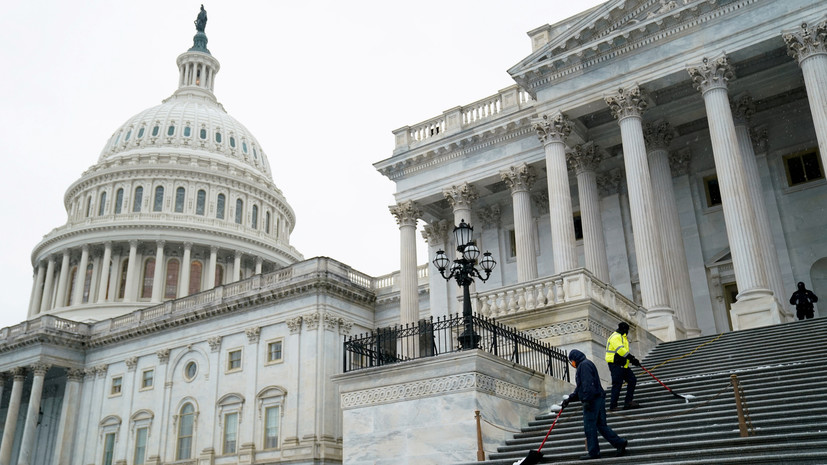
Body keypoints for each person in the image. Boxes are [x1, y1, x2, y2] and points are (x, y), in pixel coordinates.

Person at [561, 349, 628, 460]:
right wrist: (570, 399)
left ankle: (593, 452)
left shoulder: (584, 366)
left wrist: (587, 400)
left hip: (593, 400)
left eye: (571, 361)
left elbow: (588, 384)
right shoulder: (586, 364)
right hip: (597, 398)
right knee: (601, 425)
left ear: (575, 359)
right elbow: (581, 388)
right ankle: (619, 443)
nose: (572, 363)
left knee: (589, 426)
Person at [605, 321, 641, 411]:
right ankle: (613, 406)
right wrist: (632, 358)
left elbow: (624, 352)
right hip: (615, 364)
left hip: (623, 364)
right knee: (617, 384)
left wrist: (632, 360)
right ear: (624, 329)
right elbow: (621, 351)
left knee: (632, 380)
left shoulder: (622, 337)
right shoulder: (615, 337)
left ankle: (628, 402)